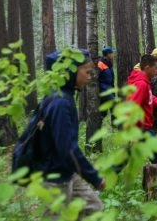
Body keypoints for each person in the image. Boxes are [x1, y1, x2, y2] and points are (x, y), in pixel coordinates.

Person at [31, 49, 105, 218]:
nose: (89, 76)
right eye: (86, 72)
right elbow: (67, 148)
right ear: (71, 71)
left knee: (93, 208)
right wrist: (94, 177)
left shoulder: (66, 96)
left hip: (67, 171)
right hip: (53, 177)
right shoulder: (60, 102)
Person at [97, 46, 116, 128]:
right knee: (114, 103)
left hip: (110, 89)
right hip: (104, 90)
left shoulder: (108, 63)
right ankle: (115, 125)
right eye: (112, 53)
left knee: (103, 112)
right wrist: (102, 88)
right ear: (108, 54)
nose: (113, 55)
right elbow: (97, 78)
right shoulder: (100, 64)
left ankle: (98, 125)